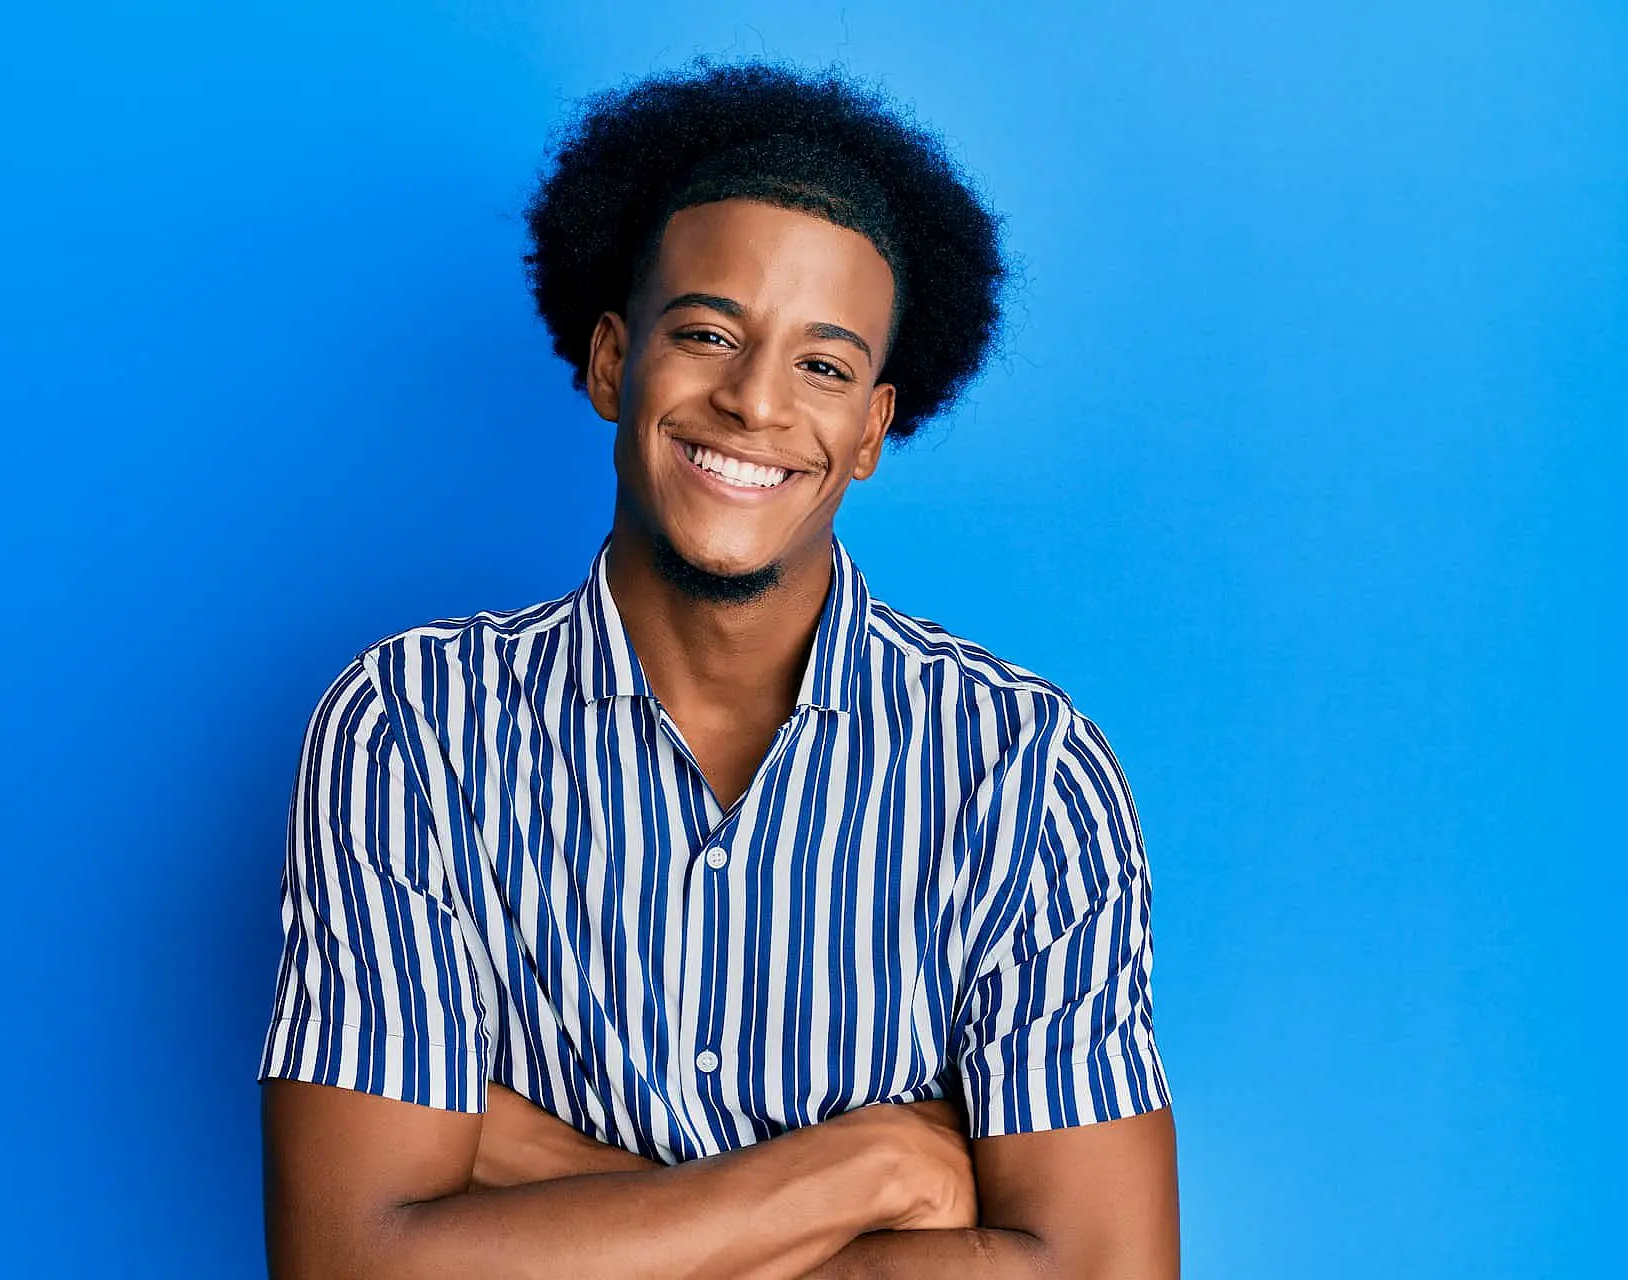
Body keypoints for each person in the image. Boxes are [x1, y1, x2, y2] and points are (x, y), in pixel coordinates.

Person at [259, 59, 1178, 1279]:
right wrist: (872, 1171)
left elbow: (1105, 1271)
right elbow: (346, 1264)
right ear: (607, 361)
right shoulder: (411, 732)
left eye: (824, 364)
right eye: (708, 334)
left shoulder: (1023, 773)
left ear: (869, 433)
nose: (753, 402)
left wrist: (522, 1170)